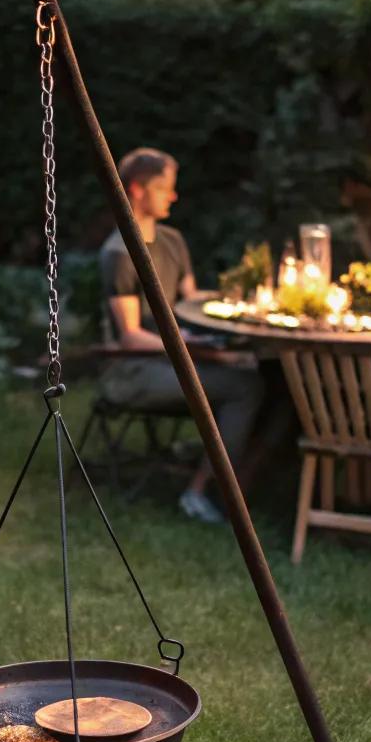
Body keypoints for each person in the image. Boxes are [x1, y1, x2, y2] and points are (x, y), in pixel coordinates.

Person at [99, 147, 263, 523]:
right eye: (164, 188)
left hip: (175, 357)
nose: (173, 197)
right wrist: (189, 348)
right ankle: (199, 491)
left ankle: (244, 481)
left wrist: (241, 302)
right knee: (246, 388)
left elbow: (192, 302)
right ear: (137, 190)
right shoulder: (120, 252)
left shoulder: (172, 241)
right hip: (134, 370)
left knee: (260, 375)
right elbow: (130, 337)